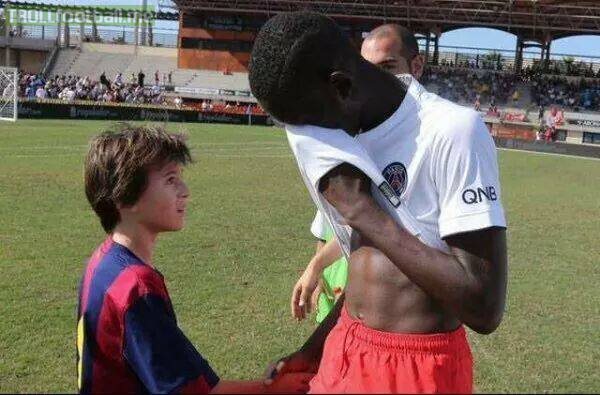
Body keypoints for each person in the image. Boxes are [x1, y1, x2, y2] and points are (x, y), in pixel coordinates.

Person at [250, 12, 507, 393]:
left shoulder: (452, 131)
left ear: (340, 87)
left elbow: (483, 306)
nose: (311, 140)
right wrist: (313, 350)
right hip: (345, 347)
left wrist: (361, 211)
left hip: (417, 369)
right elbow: (366, 269)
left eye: (309, 121)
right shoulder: (343, 136)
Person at [77, 125, 312, 394]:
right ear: (125, 196)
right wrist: (270, 389)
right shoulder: (135, 286)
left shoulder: (102, 261)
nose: (185, 190)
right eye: (170, 180)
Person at [291, 23, 426, 323]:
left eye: (388, 67)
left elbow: (375, 226)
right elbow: (328, 222)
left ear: (416, 66)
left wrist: (316, 266)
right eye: (367, 69)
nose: (376, 79)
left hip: (378, 299)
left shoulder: (426, 139)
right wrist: (320, 268)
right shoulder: (350, 133)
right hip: (337, 280)